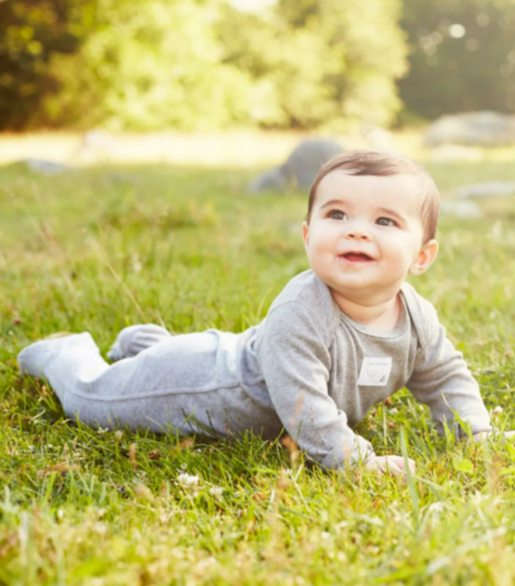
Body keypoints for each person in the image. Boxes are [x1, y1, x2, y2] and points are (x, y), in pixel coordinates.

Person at [17, 150, 497, 477]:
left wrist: (473, 432)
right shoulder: (302, 311)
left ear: (422, 256)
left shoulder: (415, 316)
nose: (356, 232)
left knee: (155, 357)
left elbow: (444, 375)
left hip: (228, 352)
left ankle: (144, 343)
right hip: (211, 384)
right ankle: (66, 352)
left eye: (384, 221)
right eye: (337, 215)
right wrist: (358, 461)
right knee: (91, 402)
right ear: (308, 237)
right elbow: (305, 408)